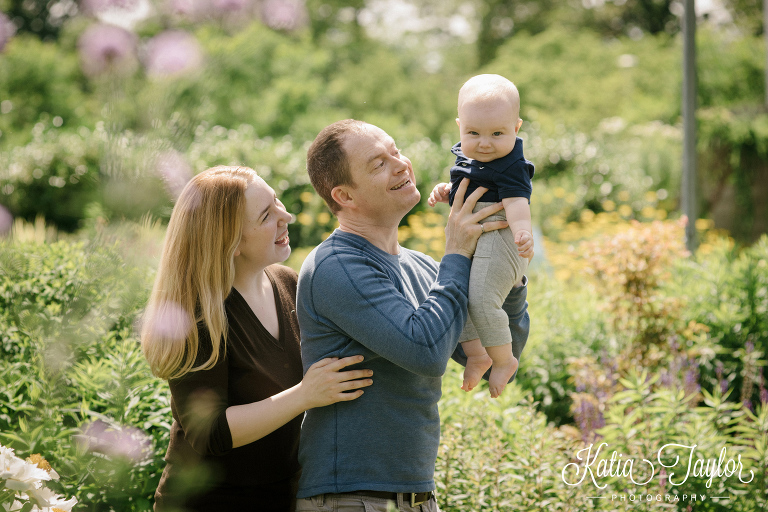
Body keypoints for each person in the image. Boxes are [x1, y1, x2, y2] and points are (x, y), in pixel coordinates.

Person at [295, 120, 532, 512]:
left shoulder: (421, 267)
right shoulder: (337, 266)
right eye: (378, 164)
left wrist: (508, 272)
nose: (401, 164)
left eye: (396, 150)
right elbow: (424, 351)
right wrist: (457, 254)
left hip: (417, 496)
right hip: (350, 497)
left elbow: (495, 361)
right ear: (344, 195)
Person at [140, 165, 373, 512]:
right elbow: (210, 433)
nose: (287, 216)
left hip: (283, 496)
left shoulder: (289, 283)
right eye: (267, 216)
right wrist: (305, 394)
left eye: (277, 201)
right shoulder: (195, 316)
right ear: (230, 242)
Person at [427, 74, 535, 398]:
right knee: (459, 292)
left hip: (503, 237)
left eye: (496, 133)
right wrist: (446, 191)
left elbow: (517, 203)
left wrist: (523, 233)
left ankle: (504, 360)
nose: (484, 142)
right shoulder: (467, 155)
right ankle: (477, 353)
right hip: (477, 236)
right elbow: (467, 185)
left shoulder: (511, 164)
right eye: (473, 132)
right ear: (460, 126)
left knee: (482, 297)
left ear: (516, 129)